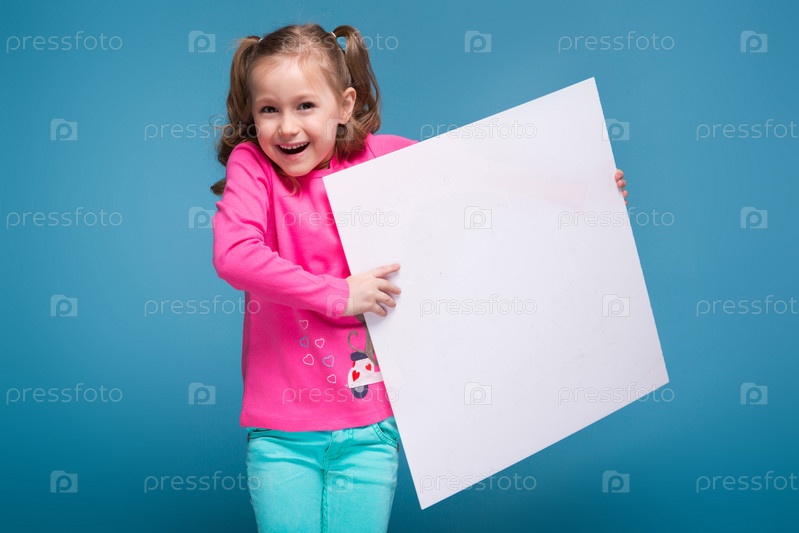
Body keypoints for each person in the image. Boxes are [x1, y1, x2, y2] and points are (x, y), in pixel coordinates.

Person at [210, 22, 628, 532]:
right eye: (269, 109)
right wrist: (339, 294)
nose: (287, 127)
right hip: (283, 433)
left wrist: (583, 192)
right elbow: (235, 255)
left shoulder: (379, 160)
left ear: (343, 105)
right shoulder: (254, 165)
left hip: (371, 429)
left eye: (305, 106)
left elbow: (483, 178)